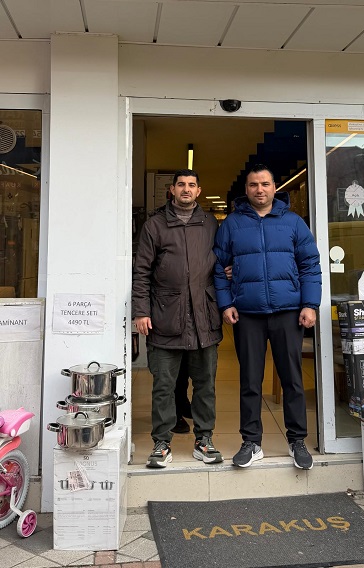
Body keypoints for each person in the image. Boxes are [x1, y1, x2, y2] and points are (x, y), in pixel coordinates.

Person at [214, 164, 321, 470]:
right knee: (250, 380)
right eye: (253, 185)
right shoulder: (232, 224)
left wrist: (310, 304)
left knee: (292, 380)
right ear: (246, 189)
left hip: (288, 312)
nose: (259, 189)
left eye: (264, 184)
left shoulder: (293, 222)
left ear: (275, 187)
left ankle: (297, 440)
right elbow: (219, 267)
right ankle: (251, 442)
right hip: (248, 314)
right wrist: (226, 304)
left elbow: (310, 265)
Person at [132, 168, 223, 468]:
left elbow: (222, 260)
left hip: (203, 317)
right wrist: (141, 310)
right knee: (164, 386)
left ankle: (204, 440)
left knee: (205, 384)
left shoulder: (210, 223)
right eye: (181, 184)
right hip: (165, 316)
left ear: (199, 191)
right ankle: (161, 443)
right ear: (171, 190)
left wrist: (228, 272)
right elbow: (141, 271)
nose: (186, 189)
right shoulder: (155, 225)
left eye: (192, 185)